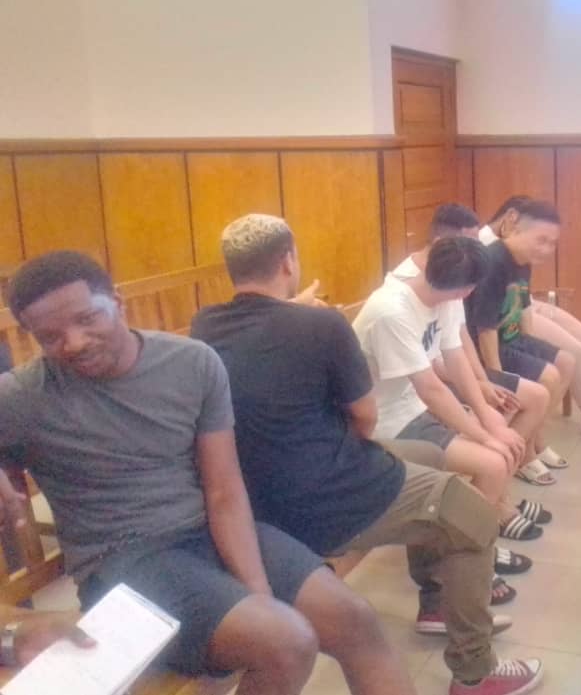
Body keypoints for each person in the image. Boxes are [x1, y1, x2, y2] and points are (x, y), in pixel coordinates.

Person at [0, 251, 414, 695]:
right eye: (50, 337)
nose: (74, 342)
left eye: (87, 319)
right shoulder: (25, 395)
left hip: (206, 531)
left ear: (117, 301)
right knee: (287, 641)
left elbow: (224, 490)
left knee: (354, 619)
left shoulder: (191, 362)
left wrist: (255, 588)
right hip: (124, 562)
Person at [192, 216, 542, 695]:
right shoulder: (323, 324)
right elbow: (365, 417)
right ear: (288, 261)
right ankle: (475, 671)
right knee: (476, 518)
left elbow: (264, 324)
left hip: (258, 495)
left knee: (427, 455)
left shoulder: (204, 327)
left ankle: (436, 602)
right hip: (330, 493)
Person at [353, 233, 551, 545]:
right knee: (494, 460)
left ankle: (486, 521)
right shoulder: (391, 311)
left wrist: (485, 416)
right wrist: (484, 435)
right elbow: (430, 389)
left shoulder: (444, 294)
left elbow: (454, 356)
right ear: (467, 288)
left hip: (413, 407)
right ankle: (466, 547)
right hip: (386, 421)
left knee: (500, 434)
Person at [481, 196, 581, 450]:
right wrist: (499, 375)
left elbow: (524, 302)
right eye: (541, 240)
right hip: (503, 327)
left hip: (523, 311)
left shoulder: (522, 257)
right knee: (571, 355)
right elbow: (486, 325)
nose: (546, 249)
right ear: (512, 220)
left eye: (551, 242)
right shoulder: (488, 252)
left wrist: (530, 344)